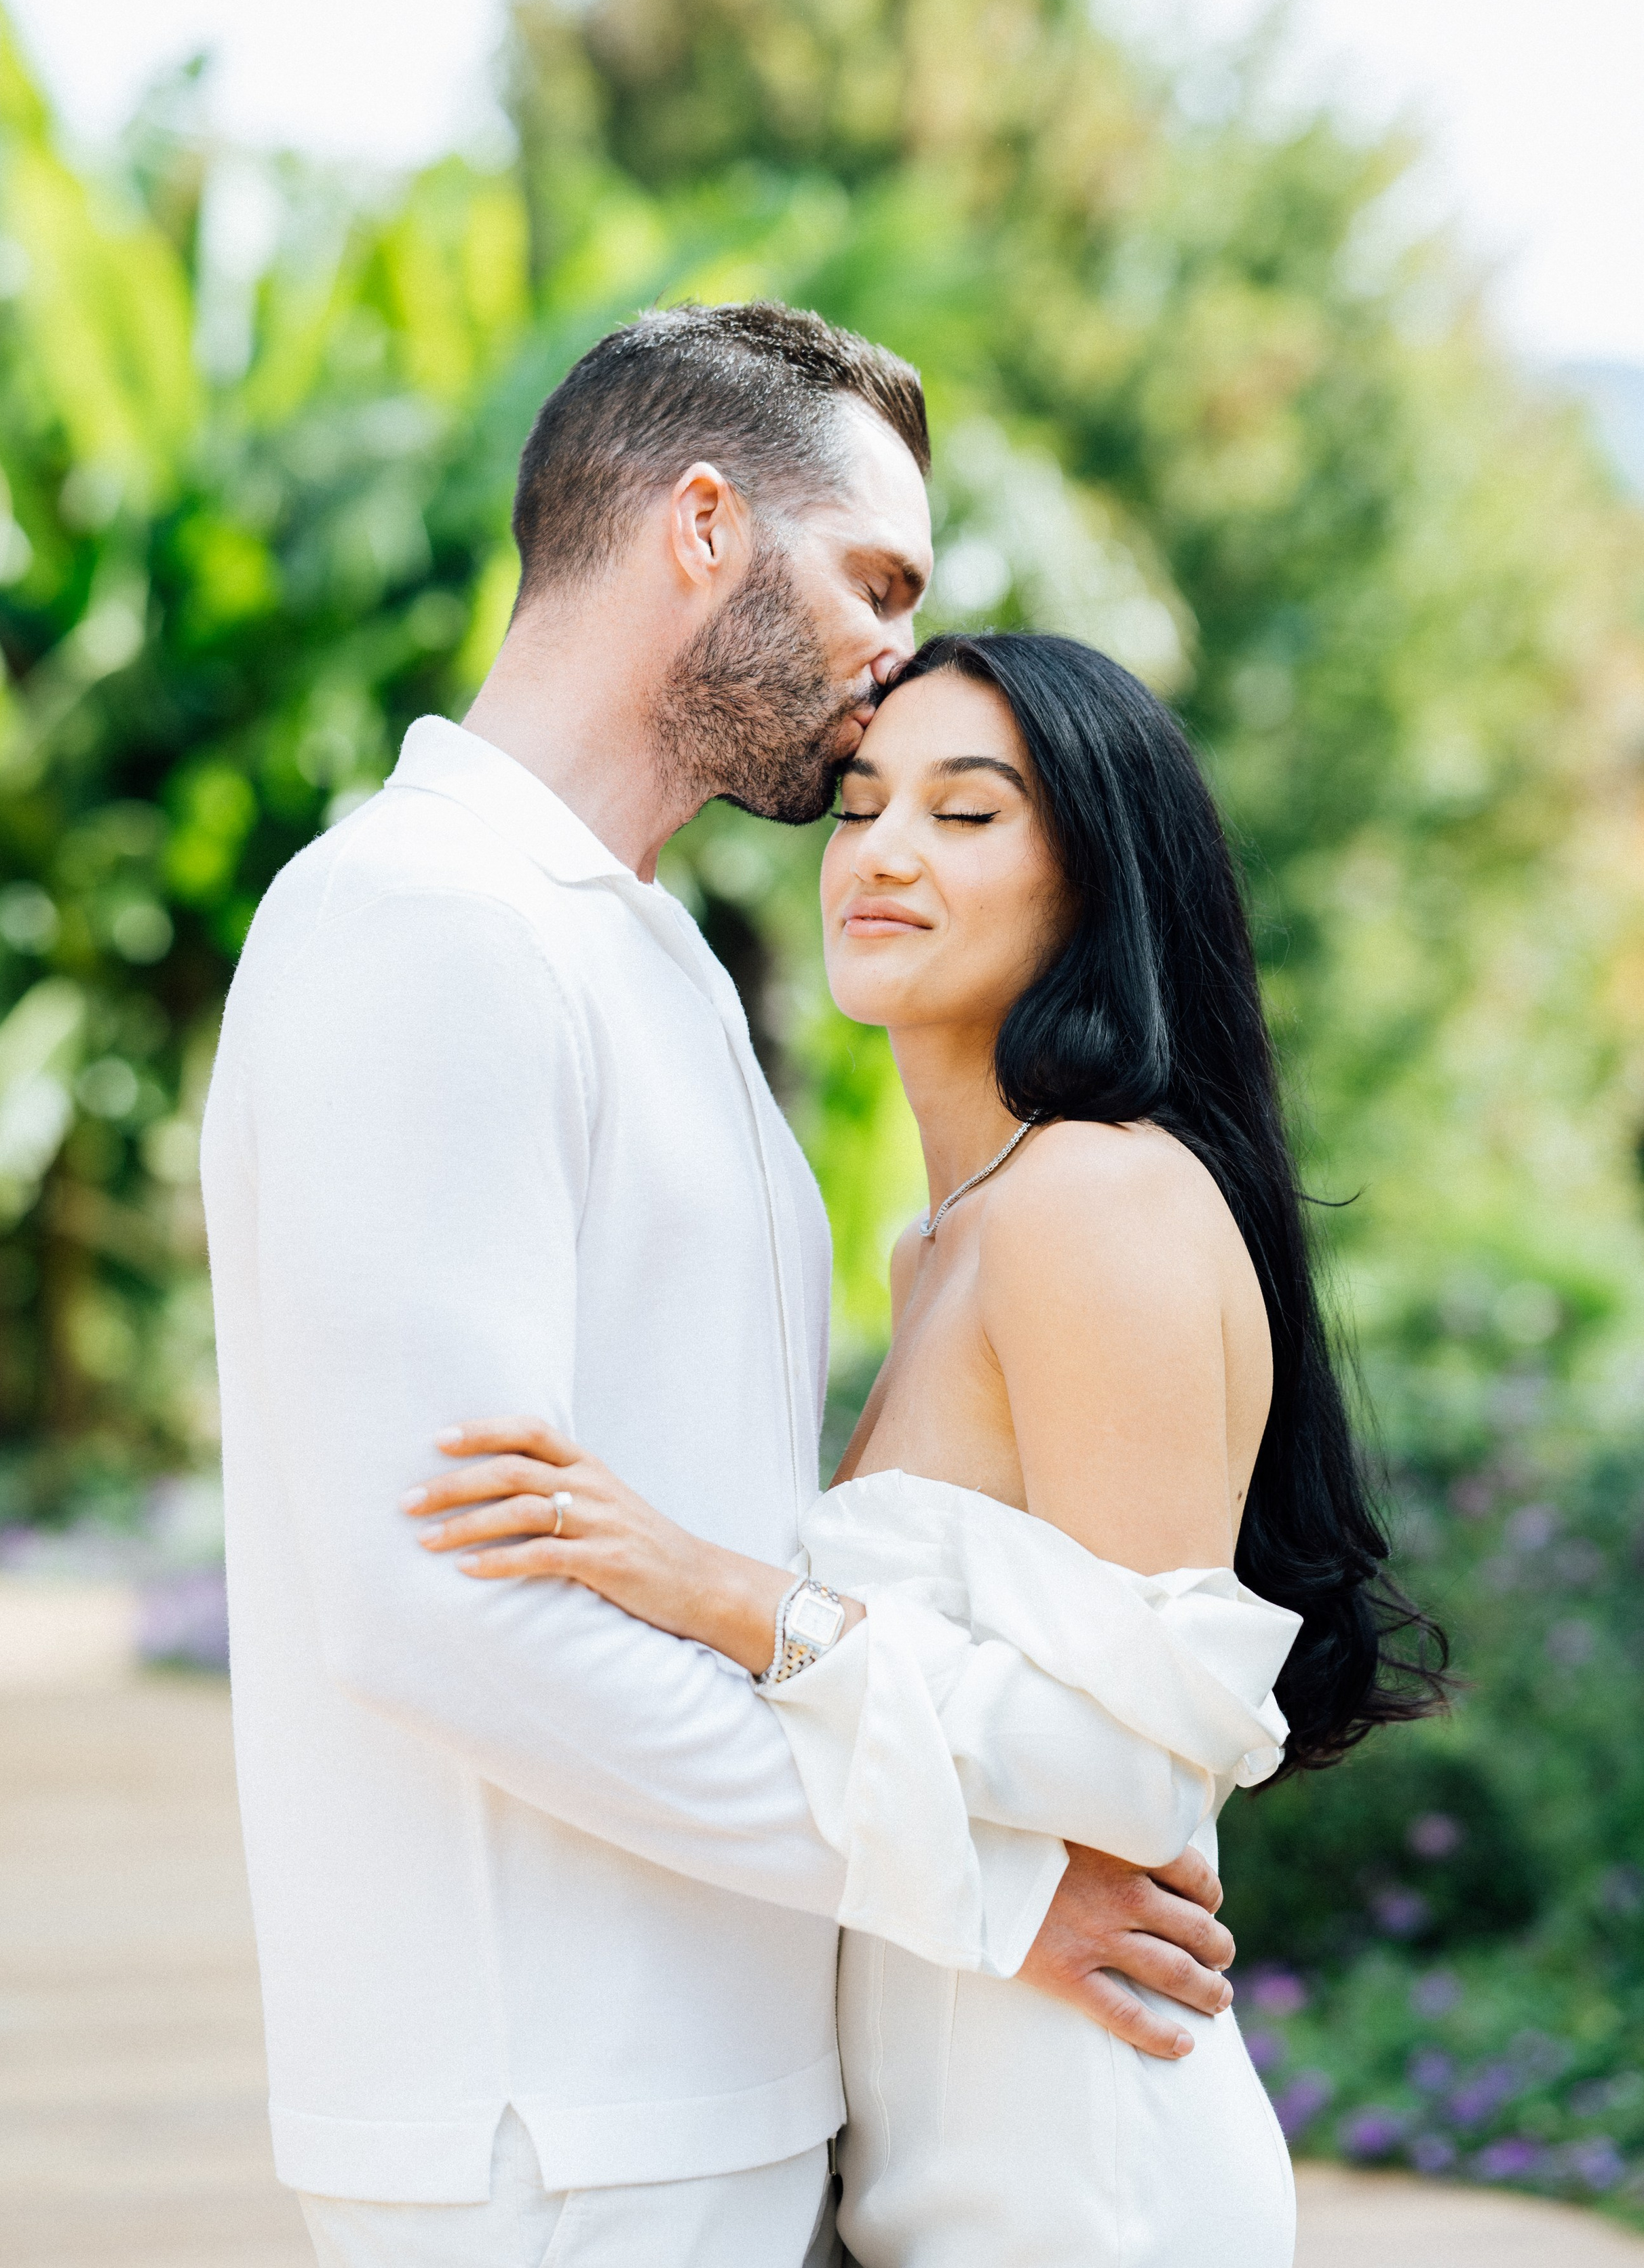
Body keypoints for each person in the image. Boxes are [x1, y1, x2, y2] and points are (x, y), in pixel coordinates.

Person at [202, 307, 1244, 2268]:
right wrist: (985, 1890)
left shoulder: (654, 962)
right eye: (875, 581)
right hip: (548, 2122)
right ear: (702, 526)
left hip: (728, 2103)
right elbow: (444, 1610)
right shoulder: (423, 926)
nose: (890, 661)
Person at [406, 629, 1447, 2266]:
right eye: (860, 808)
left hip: (1081, 2160)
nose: (882, 852)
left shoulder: (1093, 1201)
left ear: (1093, 881)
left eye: (967, 816)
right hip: (926, 2151)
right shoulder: (939, 1244)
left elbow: (1143, 1764)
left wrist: (720, 1592)